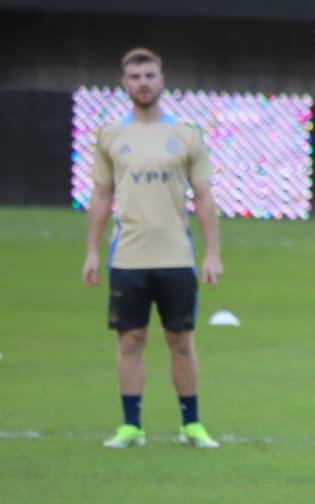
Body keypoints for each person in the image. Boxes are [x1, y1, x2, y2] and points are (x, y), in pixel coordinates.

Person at [83, 46, 223, 449]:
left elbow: (205, 197)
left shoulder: (186, 135)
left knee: (181, 340)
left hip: (176, 256)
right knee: (130, 341)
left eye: (149, 76)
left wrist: (212, 253)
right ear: (124, 83)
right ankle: (132, 426)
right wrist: (92, 251)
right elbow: (101, 195)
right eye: (135, 77)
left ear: (162, 80)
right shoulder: (111, 135)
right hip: (127, 256)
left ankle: (191, 425)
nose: (143, 83)